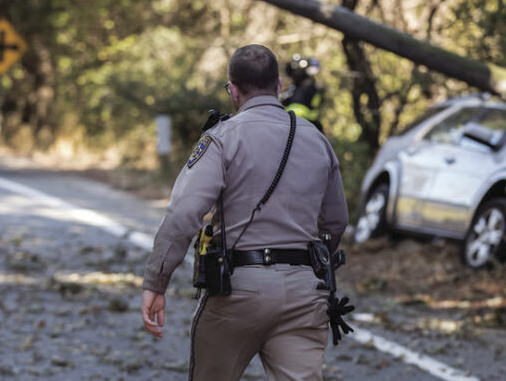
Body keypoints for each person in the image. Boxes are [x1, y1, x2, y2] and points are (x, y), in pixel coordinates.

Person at [140, 44, 350, 380]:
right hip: (305, 291)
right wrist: (311, 262)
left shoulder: (222, 138)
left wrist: (156, 281)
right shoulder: (316, 139)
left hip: (238, 289)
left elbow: (183, 215)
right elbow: (336, 220)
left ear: (233, 90)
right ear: (279, 85)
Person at [280, 54, 324, 131]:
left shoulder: (311, 87)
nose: (296, 75)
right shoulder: (292, 89)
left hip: (307, 124)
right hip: (289, 124)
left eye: (299, 71)